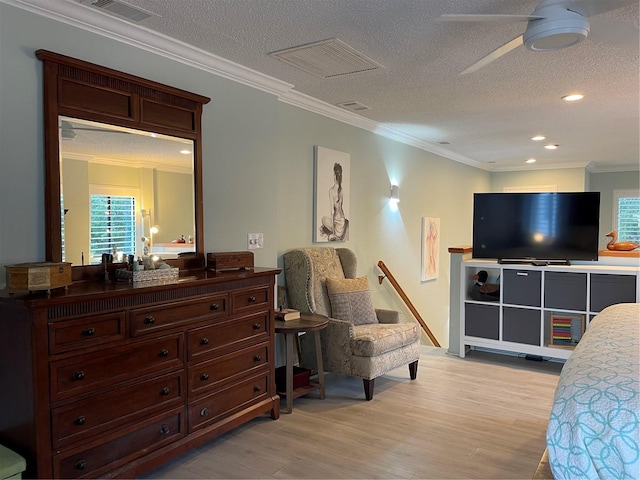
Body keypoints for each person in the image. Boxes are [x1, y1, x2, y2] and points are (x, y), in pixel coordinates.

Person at [320, 162, 349, 241]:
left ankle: (334, 235)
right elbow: (341, 208)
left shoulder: (331, 191)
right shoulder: (341, 189)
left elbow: (332, 212)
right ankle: (336, 234)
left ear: (334, 176)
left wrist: (333, 230)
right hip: (342, 222)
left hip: (336, 226)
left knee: (324, 219)